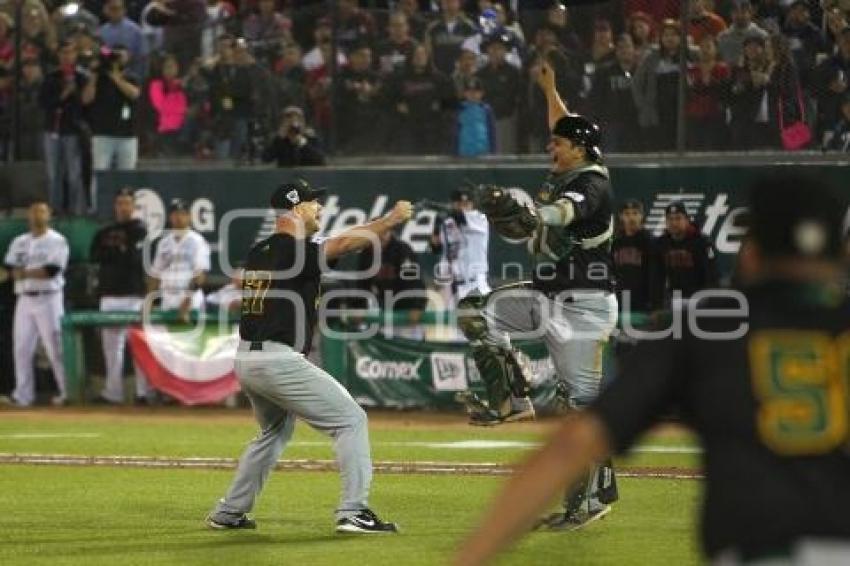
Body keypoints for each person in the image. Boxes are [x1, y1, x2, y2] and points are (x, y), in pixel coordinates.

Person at [456, 173, 850, 565]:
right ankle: (590, 496)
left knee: (577, 398)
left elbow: (573, 445)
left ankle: (528, 420)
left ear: (751, 250)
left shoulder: (708, 326)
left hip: (764, 554)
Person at [456, 61, 618, 531]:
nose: (552, 145)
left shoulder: (592, 182)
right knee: (476, 313)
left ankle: (589, 501)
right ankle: (511, 400)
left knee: (578, 411)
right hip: (547, 295)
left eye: (559, 144)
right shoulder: (574, 160)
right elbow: (562, 122)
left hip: (584, 304)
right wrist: (550, 86)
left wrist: (531, 214)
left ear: (580, 149)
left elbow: (565, 214)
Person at [205, 180, 411, 532]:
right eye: (314, 202)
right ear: (297, 208)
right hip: (275, 358)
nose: (319, 208)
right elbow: (345, 243)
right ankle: (353, 511)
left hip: (247, 359)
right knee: (351, 420)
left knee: (274, 432)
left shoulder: (261, 250)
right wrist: (391, 220)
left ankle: (229, 511)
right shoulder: (293, 248)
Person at [3, 200, 69, 407]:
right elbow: (8, 269)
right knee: (21, 348)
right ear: (28, 216)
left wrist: (22, 273)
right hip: (24, 299)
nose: (37, 214)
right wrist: (14, 274)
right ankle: (23, 395)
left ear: (49, 214)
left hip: (49, 297)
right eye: (33, 211)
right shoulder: (19, 241)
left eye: (41, 210)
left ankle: (67, 392)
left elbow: (51, 271)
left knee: (55, 348)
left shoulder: (57, 240)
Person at [90, 188, 150, 405]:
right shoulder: (104, 231)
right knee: (111, 348)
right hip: (109, 295)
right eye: (119, 203)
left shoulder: (140, 229)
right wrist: (119, 252)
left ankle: (143, 393)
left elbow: (133, 257)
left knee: (139, 346)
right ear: (115, 206)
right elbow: (95, 256)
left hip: (133, 295)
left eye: (127, 203)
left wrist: (115, 254)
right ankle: (112, 392)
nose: (123, 207)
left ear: (133, 207)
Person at [39, 40, 88, 215]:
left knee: (74, 174)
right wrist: (63, 94)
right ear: (58, 55)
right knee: (53, 175)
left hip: (73, 131)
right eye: (63, 53)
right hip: (52, 130)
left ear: (75, 55)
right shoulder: (50, 77)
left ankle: (77, 211)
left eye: (70, 52)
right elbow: (44, 103)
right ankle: (54, 210)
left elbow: (86, 104)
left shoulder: (82, 77)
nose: (67, 56)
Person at [148, 198, 211, 323]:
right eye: (175, 214)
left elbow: (200, 275)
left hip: (190, 301)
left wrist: (187, 301)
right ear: (170, 217)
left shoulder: (198, 241)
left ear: (189, 217)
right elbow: (155, 275)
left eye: (183, 214)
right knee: (166, 342)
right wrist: (149, 301)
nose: (178, 217)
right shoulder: (164, 243)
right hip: (168, 299)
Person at [82, 45, 141, 171]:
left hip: (127, 135)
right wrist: (94, 75)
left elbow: (134, 94)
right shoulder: (100, 78)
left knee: (127, 172)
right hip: (102, 134)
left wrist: (116, 78)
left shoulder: (131, 77)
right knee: (99, 172)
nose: (117, 61)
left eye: (120, 56)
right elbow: (86, 99)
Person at [430, 186, 491, 308]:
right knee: (454, 325)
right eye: (459, 204)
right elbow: (436, 248)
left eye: (466, 204)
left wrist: (435, 206)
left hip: (475, 284)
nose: (463, 207)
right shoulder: (447, 224)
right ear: (453, 204)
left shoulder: (480, 219)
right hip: (452, 287)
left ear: (472, 205)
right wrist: (436, 228)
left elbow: (459, 216)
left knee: (481, 323)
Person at [652, 201, 719, 310]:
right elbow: (656, 277)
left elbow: (712, 275)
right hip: (673, 299)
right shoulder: (661, 243)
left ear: (687, 220)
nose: (673, 223)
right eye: (670, 219)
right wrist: (656, 305)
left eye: (678, 218)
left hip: (699, 299)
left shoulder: (702, 242)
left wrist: (711, 303)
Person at [612, 199, 653, 315]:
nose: (631, 218)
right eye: (627, 214)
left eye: (635, 213)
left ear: (641, 216)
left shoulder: (649, 241)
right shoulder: (616, 242)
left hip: (643, 300)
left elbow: (654, 275)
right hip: (620, 298)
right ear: (621, 217)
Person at [97, 0, 148, 78]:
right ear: (107, 10)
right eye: (112, 9)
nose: (115, 12)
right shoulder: (102, 31)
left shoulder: (135, 30)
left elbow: (142, 55)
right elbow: (101, 50)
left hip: (132, 75)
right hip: (109, 75)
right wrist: (113, 53)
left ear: (124, 10)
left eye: (117, 8)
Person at [261, 105, 326, 167]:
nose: (293, 122)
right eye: (289, 118)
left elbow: (320, 160)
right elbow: (265, 158)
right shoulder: (279, 140)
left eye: (298, 119)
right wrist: (279, 138)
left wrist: (302, 143)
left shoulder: (311, 138)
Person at [716, 0, 768, 66]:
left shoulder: (762, 36)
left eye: (743, 12)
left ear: (750, 13)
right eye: (736, 12)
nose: (739, 16)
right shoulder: (722, 37)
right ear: (731, 14)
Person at [456, 77, 496, 157]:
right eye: (469, 91)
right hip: (464, 153)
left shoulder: (486, 110)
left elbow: (492, 132)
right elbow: (455, 131)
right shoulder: (460, 109)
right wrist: (455, 152)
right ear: (464, 93)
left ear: (482, 93)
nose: (472, 94)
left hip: (483, 152)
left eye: (476, 91)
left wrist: (494, 152)